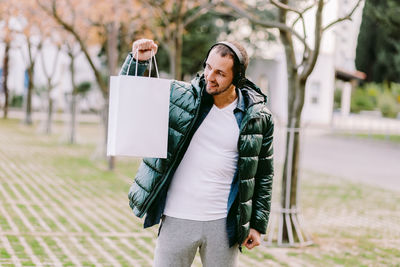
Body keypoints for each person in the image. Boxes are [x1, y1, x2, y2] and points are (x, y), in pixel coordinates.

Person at [121, 38, 274, 267]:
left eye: (220, 73)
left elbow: (264, 174)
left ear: (238, 78)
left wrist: (257, 225)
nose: (210, 76)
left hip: (223, 226)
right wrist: (137, 62)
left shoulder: (258, 117)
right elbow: (133, 95)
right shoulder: (182, 97)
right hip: (177, 218)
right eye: (208, 67)